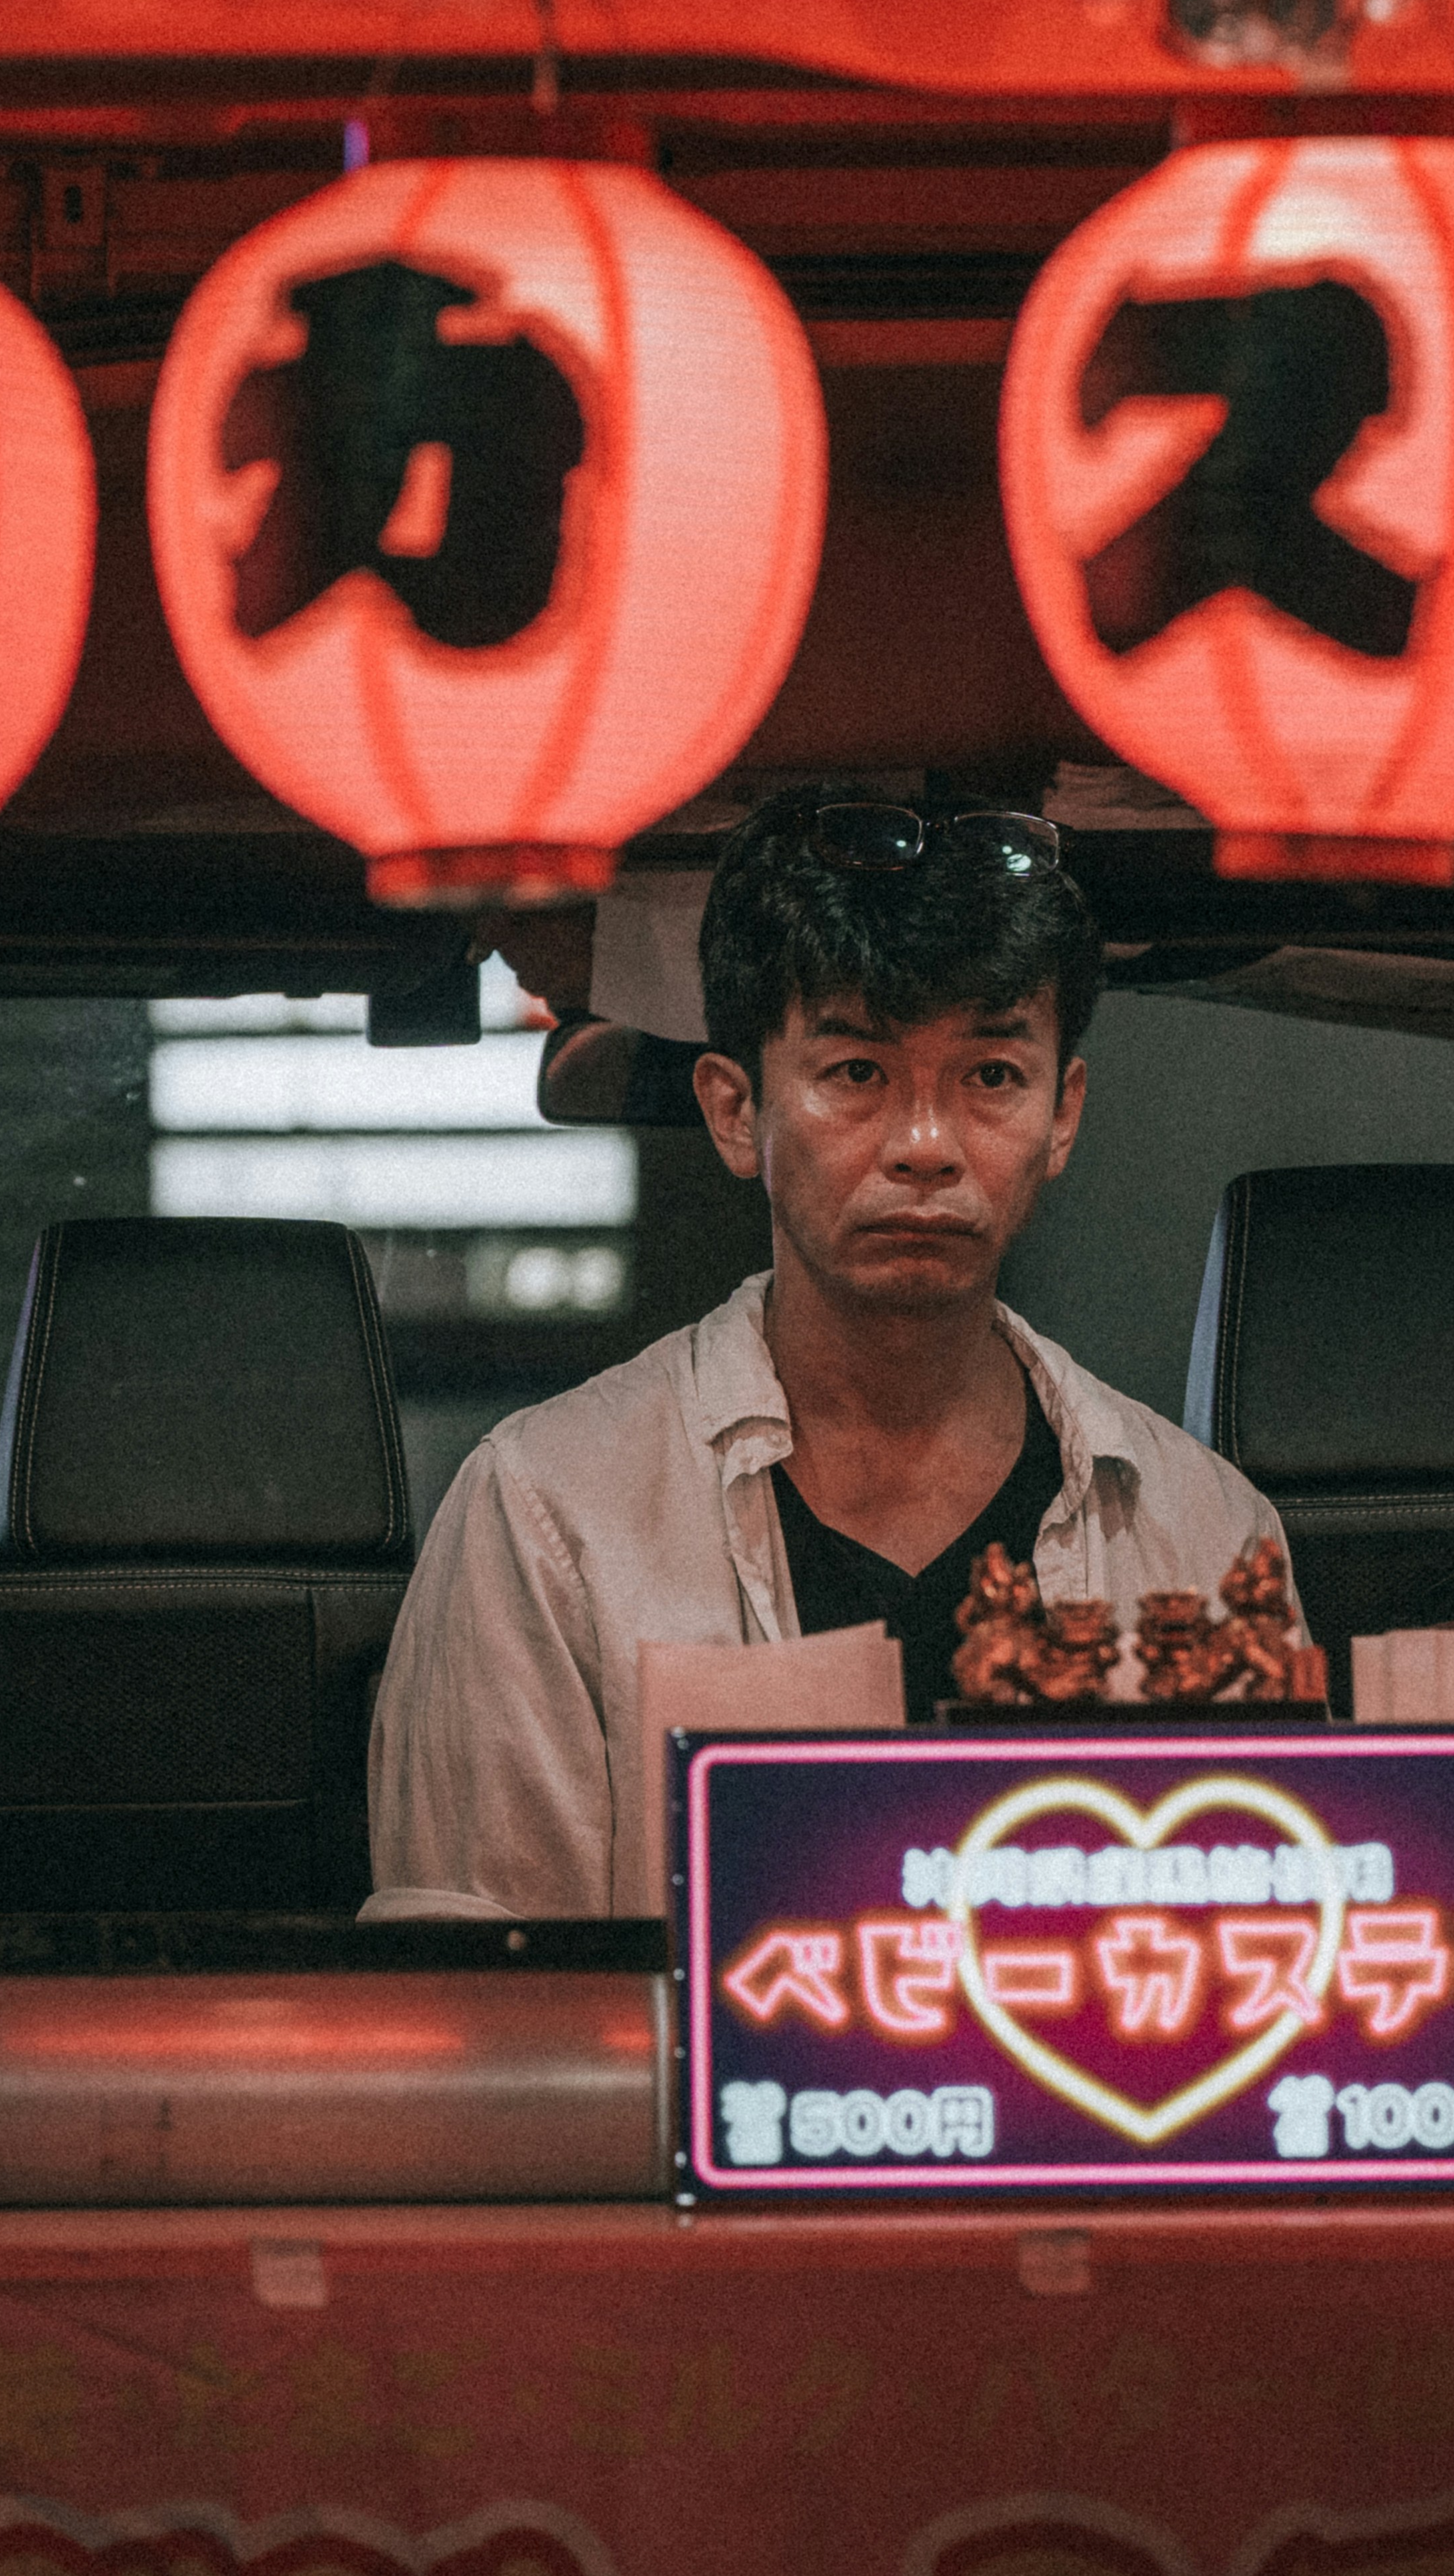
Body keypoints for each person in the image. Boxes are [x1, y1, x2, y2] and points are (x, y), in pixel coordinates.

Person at [365, 791, 1300, 1917]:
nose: (924, 1145)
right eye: (857, 1072)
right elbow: (496, 2035)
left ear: (1064, 1114)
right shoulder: (547, 1515)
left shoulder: (1204, 1532)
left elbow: (1272, 1976)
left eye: (991, 1077)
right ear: (733, 1108)